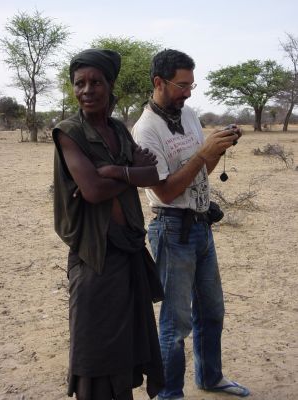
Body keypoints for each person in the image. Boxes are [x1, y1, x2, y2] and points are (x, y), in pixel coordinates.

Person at [132, 49, 250, 398]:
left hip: (200, 226)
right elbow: (167, 192)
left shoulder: (189, 116)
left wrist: (216, 150)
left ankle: (210, 377)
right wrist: (202, 152)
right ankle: (170, 393)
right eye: (181, 86)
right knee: (176, 321)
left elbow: (201, 174)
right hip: (171, 229)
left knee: (212, 309)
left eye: (190, 85)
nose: (187, 93)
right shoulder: (145, 131)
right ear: (159, 83)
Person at [52, 48, 164, 400]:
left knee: (125, 344)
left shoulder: (118, 129)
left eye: (95, 82)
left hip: (127, 247)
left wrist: (116, 171)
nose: (86, 90)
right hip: (94, 254)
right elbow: (94, 190)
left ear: (110, 85)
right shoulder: (69, 132)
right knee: (95, 347)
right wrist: (131, 174)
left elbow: (155, 173)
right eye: (79, 83)